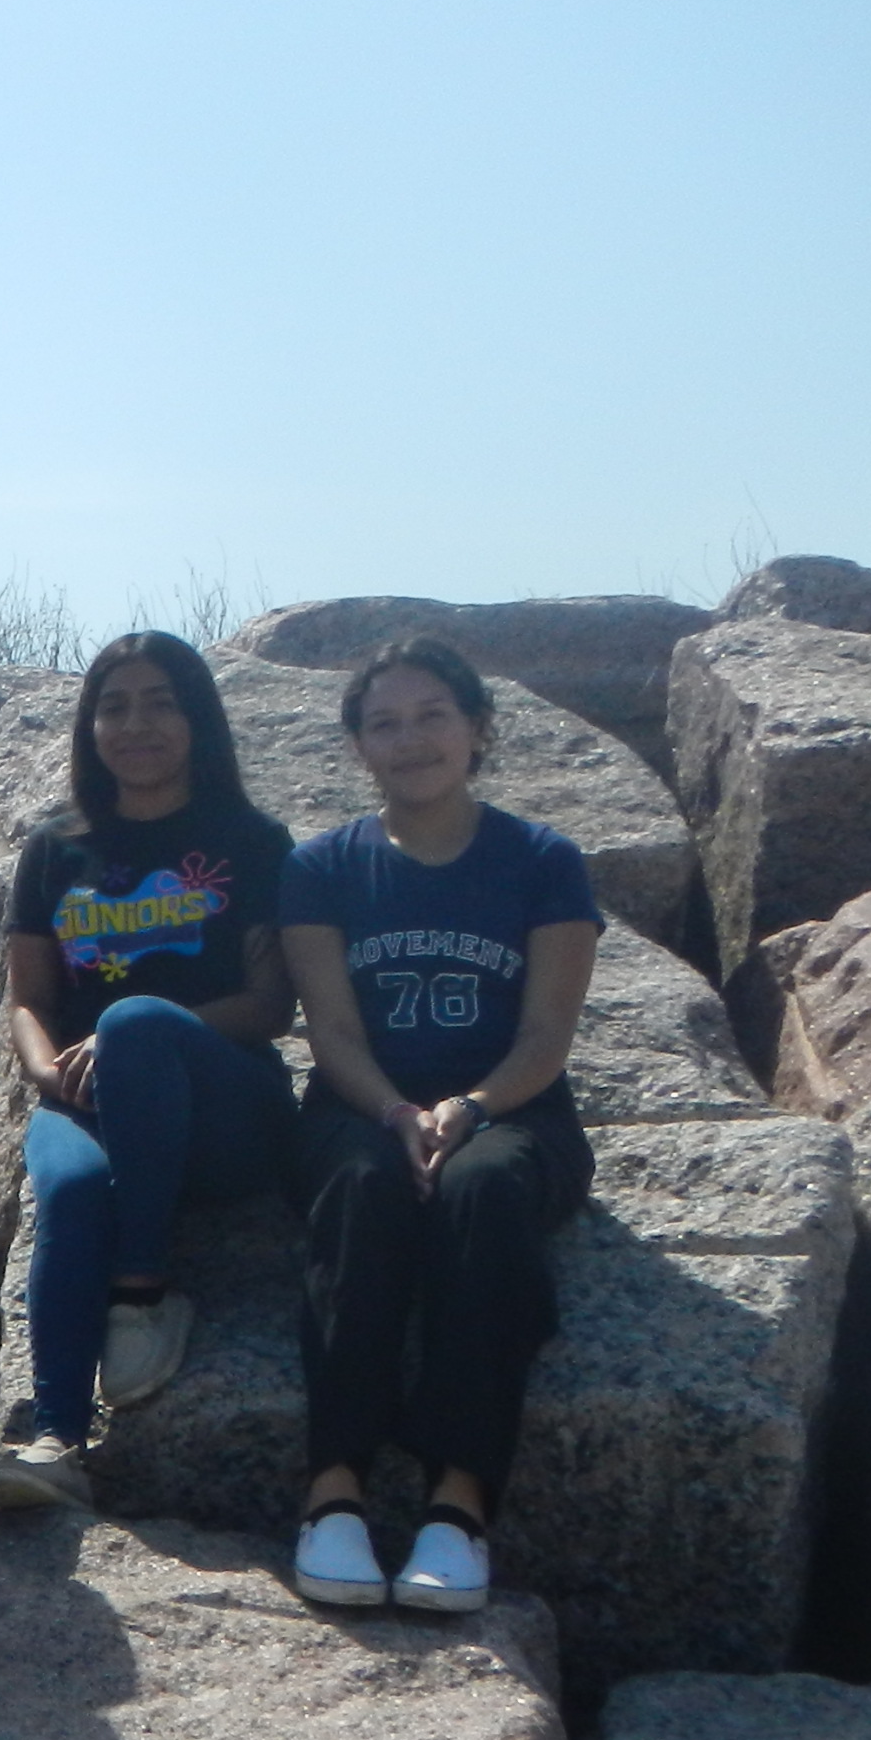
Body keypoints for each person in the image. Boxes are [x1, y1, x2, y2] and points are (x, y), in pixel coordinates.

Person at [278, 637, 600, 1613]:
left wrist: (465, 1110)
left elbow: (546, 1034)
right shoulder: (322, 866)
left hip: (512, 1111)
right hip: (358, 1106)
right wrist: (391, 1110)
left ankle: (456, 1506)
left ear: (476, 730)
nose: (409, 739)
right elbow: (329, 1028)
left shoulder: (542, 862)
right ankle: (333, 1489)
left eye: (431, 717)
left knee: (482, 1191)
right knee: (366, 1190)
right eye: (384, 722)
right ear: (357, 746)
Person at [0, 633, 297, 1512]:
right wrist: (48, 1074)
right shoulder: (57, 848)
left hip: (222, 1107)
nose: (135, 723)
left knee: (133, 1020)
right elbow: (29, 999)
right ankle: (54, 1440)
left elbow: (273, 1004)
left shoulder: (251, 840)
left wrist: (134, 1037)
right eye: (113, 705)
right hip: (85, 1099)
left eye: (160, 701)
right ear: (90, 728)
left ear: (196, 718)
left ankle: (142, 1289)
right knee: (74, 1192)